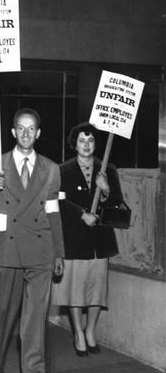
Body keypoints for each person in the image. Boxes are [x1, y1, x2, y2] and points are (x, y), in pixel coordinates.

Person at [0, 108, 64, 373]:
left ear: (38, 133)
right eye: (21, 128)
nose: (26, 133)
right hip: (6, 248)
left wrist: (59, 253)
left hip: (40, 249)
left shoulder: (51, 169)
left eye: (32, 129)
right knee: (2, 307)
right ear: (13, 132)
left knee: (35, 316)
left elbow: (53, 213)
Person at [51, 122, 122, 357]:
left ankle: (90, 331)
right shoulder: (62, 170)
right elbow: (57, 201)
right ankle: (78, 334)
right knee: (76, 290)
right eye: (82, 140)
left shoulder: (107, 169)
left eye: (90, 141)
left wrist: (105, 190)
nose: (86, 145)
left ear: (95, 143)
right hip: (74, 239)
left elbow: (116, 205)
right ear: (75, 143)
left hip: (100, 242)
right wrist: (81, 214)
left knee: (96, 290)